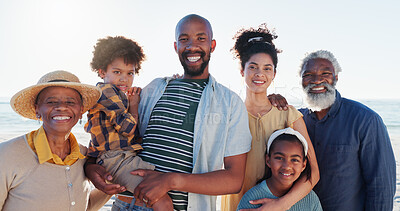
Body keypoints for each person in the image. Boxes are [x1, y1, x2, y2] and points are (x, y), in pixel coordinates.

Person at [85, 14, 252, 211]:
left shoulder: (230, 103)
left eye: (201, 38)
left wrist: (170, 181)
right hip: (126, 205)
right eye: (184, 39)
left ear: (212, 45)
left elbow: (234, 180)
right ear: (176, 47)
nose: (192, 46)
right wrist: (90, 167)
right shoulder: (153, 89)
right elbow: (107, 131)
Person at [270, 50, 397, 210]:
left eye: (325, 73)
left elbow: (381, 186)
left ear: (336, 77)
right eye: (308, 74)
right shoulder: (294, 120)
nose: (316, 80)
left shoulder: (366, 120)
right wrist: (269, 104)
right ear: (301, 80)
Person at [221, 24, 319, 211]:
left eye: (267, 68)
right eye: (253, 67)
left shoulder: (288, 114)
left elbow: (313, 173)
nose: (260, 74)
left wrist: (280, 205)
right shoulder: (229, 116)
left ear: (274, 74)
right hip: (235, 205)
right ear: (242, 70)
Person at [84, 36, 172, 210]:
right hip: (115, 159)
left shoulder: (113, 94)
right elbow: (128, 128)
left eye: (129, 73)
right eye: (117, 72)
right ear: (102, 72)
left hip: (119, 158)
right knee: (162, 199)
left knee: (161, 186)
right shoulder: (106, 91)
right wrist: (134, 105)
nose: (124, 79)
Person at [0, 70, 108, 210]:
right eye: (51, 101)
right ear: (37, 110)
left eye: (70, 101)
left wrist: (110, 187)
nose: (62, 107)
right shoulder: (6, 155)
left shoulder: (85, 156)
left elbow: (83, 207)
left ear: (81, 111)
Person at [237, 128, 322, 211]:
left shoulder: (310, 199)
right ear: (268, 160)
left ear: (303, 165)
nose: (287, 166)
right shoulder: (252, 200)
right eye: (279, 158)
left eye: (294, 160)